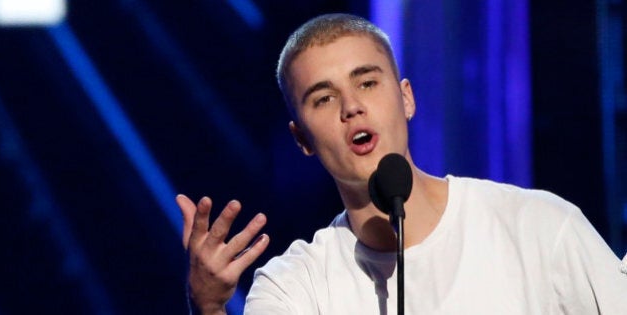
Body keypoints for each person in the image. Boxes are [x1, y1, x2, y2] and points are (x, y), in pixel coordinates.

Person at [176, 13, 627, 314]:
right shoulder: (296, 287)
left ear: (406, 98)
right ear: (302, 140)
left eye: (368, 83)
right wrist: (210, 309)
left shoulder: (537, 227)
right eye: (324, 97)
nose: (351, 107)